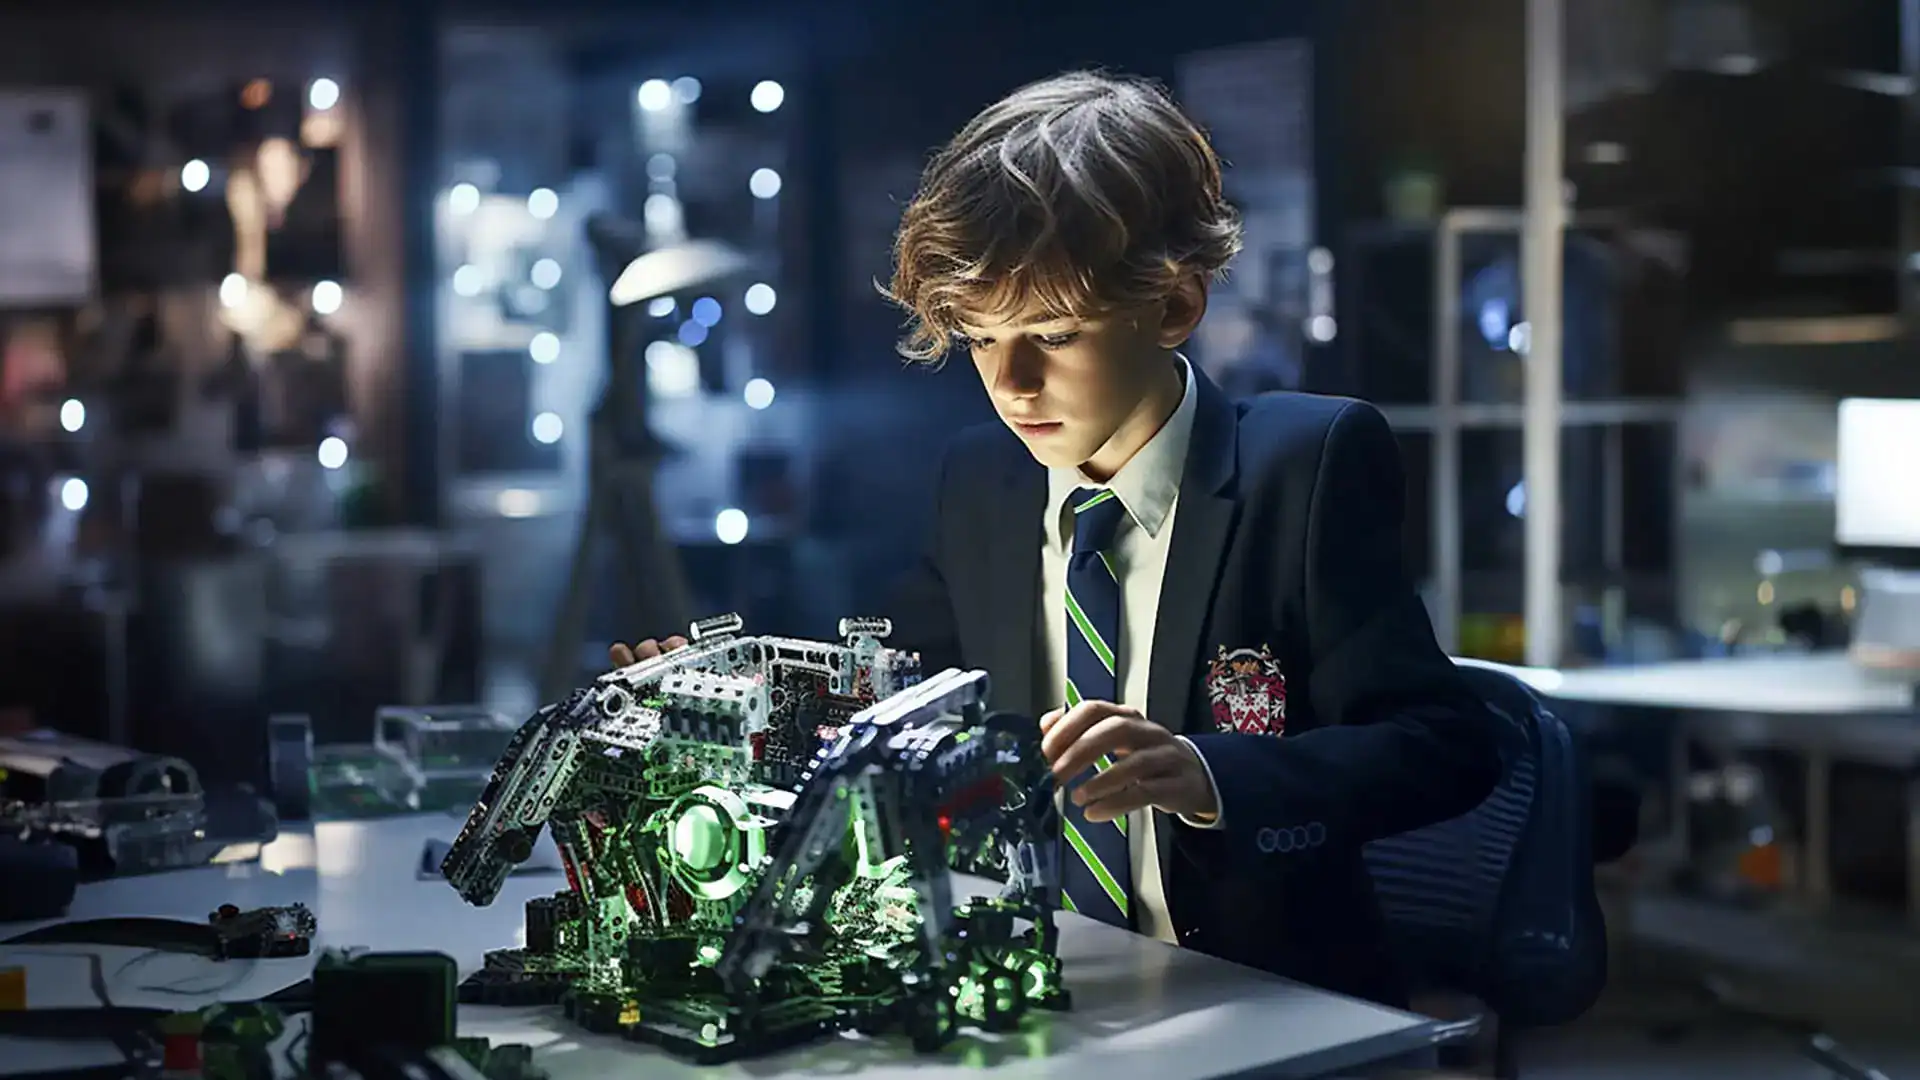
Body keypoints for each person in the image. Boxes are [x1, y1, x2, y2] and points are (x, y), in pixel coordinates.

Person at [613, 69, 1504, 1007]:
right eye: (980, 339)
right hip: (1039, 983)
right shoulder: (982, 482)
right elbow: (896, 697)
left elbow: (1445, 745)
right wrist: (724, 700)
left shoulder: (1305, 466)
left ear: (1174, 307)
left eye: (1054, 334)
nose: (1011, 384)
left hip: (1260, 995)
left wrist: (1211, 773)